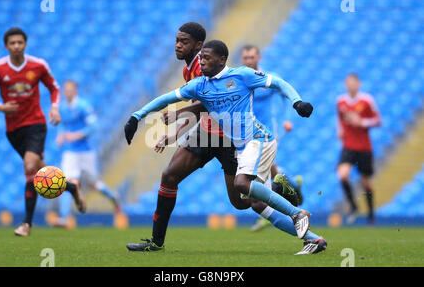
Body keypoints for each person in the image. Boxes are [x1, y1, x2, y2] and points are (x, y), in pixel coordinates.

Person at [125, 39, 327, 254]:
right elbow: (164, 99)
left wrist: (297, 102)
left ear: (222, 60)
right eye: (201, 58)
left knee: (242, 186)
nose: (201, 62)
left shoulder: (241, 75)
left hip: (259, 140)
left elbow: (277, 83)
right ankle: (313, 239)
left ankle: (296, 212)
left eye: (206, 58)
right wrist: (136, 117)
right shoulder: (199, 84)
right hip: (236, 144)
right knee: (255, 203)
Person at [0, 27, 86, 237]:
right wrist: (0, 107)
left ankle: (26, 224)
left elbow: (54, 87)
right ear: (6, 46)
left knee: (29, 166)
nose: (16, 46)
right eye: (12, 43)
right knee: (39, 171)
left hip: (35, 124)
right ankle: (72, 188)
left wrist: (55, 108)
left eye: (20, 42)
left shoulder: (38, 65)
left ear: (25, 44)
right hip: (13, 130)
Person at [239, 45, 304, 232]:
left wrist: (287, 119)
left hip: (268, 130)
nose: (249, 61)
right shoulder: (241, 79)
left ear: (258, 57)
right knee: (269, 171)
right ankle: (292, 183)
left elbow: (286, 95)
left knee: (265, 170)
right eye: (245, 57)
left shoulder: (267, 77)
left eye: (252, 57)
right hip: (248, 131)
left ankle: (268, 212)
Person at [53, 80, 123, 228]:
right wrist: (61, 135)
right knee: (67, 182)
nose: (68, 92)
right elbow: (63, 125)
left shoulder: (83, 106)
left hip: (86, 152)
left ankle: (113, 197)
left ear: (76, 91)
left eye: (70, 89)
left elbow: (94, 126)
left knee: (93, 184)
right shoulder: (63, 108)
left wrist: (78, 134)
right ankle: (64, 218)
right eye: (66, 90)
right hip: (71, 152)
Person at [337, 73, 381, 225]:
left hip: (364, 147)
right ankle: (354, 206)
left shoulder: (367, 100)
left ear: (358, 84)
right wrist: (340, 130)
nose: (350, 85)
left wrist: (362, 121)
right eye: (348, 82)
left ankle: (370, 215)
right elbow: (340, 119)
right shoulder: (341, 101)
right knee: (342, 175)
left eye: (353, 82)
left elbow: (377, 120)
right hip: (348, 145)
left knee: (365, 182)